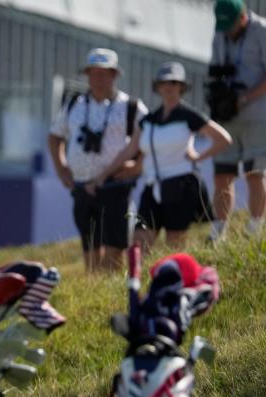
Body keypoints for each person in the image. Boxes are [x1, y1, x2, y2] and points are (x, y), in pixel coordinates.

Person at [88, 62, 232, 253]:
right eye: (164, 82)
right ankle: (138, 281)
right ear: (157, 86)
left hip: (181, 185)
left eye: (173, 82)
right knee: (139, 244)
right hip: (153, 186)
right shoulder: (149, 120)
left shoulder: (189, 115)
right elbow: (130, 150)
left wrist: (198, 157)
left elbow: (223, 139)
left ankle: (176, 280)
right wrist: (103, 176)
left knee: (175, 243)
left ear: (181, 87)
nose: (168, 87)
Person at [48, 48, 148, 271]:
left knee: (114, 246)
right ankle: (93, 291)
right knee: (90, 246)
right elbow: (55, 137)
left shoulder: (131, 106)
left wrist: (138, 165)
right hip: (82, 186)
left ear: (114, 75)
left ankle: (109, 293)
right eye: (93, 74)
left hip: (115, 185)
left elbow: (149, 138)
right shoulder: (75, 103)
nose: (97, 79)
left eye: (103, 74)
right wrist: (62, 169)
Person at [208, 0, 266, 241]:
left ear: (243, 16)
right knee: (222, 173)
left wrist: (244, 98)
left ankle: (255, 227)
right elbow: (213, 69)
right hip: (226, 115)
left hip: (256, 114)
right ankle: (219, 230)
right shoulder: (219, 32)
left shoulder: (261, 30)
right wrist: (217, 97)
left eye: (231, 24)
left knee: (255, 172)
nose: (228, 30)